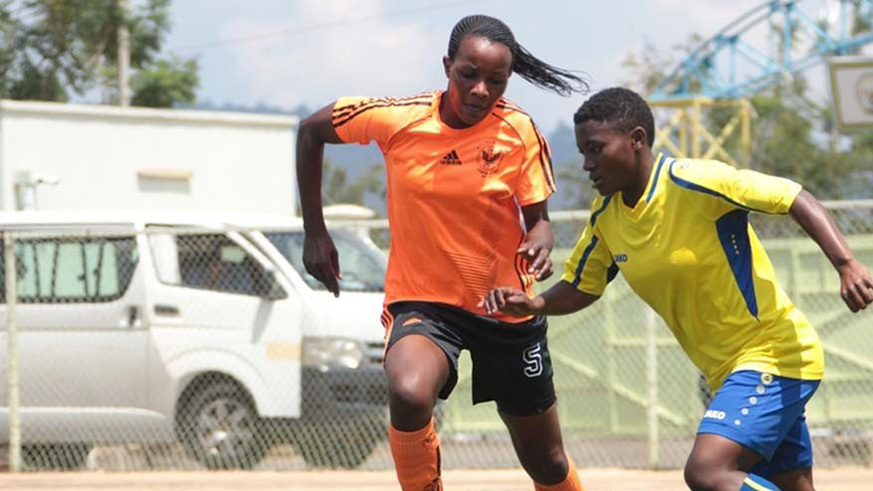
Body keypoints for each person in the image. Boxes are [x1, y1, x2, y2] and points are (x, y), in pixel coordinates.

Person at [481, 87, 873, 491]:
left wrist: (846, 264)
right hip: (726, 373)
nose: (586, 164)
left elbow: (792, 196)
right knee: (791, 485)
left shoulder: (696, 181)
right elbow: (583, 285)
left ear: (636, 139)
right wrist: (533, 303)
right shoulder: (606, 218)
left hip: (774, 354)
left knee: (708, 472)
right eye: (582, 152)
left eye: (596, 149)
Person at [296, 14, 588, 491]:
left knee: (547, 463)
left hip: (503, 307)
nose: (479, 91)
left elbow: (539, 221)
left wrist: (540, 240)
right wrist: (315, 231)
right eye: (468, 75)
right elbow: (311, 131)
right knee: (409, 394)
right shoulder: (400, 118)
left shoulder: (518, 131)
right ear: (447, 66)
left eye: (496, 81)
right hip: (424, 302)